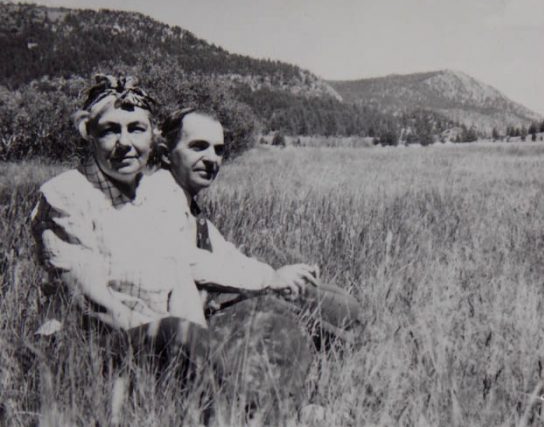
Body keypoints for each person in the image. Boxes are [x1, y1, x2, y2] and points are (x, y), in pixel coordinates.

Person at [29, 75, 315, 419]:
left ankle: (284, 411)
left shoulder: (154, 197)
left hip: (163, 340)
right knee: (180, 335)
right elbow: (94, 305)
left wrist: (199, 339)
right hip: (95, 349)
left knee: (272, 315)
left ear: (152, 137)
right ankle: (241, 412)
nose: (124, 143)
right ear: (89, 134)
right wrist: (178, 342)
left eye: (136, 129)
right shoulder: (65, 196)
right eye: (109, 130)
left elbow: (181, 278)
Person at [158, 108, 362, 348]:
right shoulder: (158, 197)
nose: (212, 158)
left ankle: (349, 348)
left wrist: (282, 276)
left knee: (340, 304)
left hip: (211, 308)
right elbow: (187, 262)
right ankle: (354, 354)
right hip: (182, 327)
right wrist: (269, 279)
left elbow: (227, 255)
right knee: (309, 322)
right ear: (166, 154)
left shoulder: (188, 203)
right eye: (198, 146)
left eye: (218, 150)